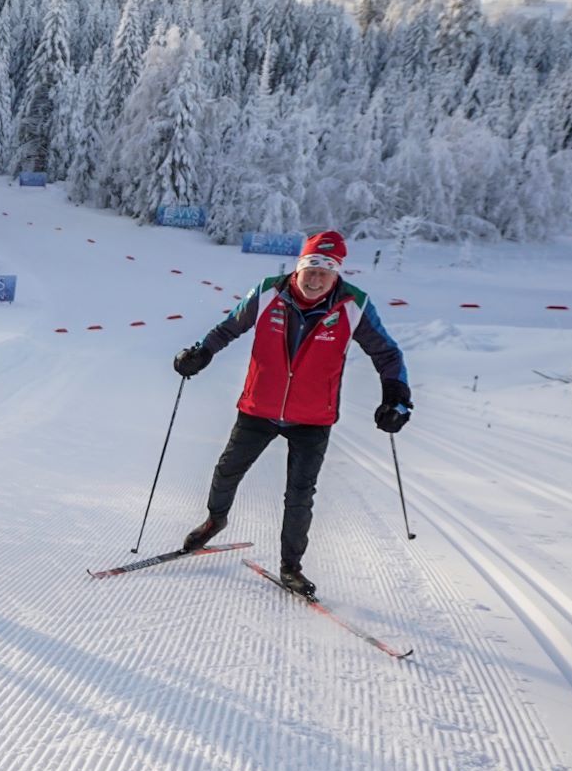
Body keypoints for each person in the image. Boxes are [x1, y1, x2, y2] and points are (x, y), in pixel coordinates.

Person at [172, 230, 410, 598]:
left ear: (337, 274)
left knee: (300, 494)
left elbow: (387, 354)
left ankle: (291, 567)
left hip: (313, 417)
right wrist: (201, 353)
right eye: (311, 268)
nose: (316, 278)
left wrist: (396, 396)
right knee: (227, 470)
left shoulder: (354, 305)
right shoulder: (268, 292)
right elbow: (229, 327)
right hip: (259, 407)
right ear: (299, 268)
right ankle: (215, 520)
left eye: (325, 271)